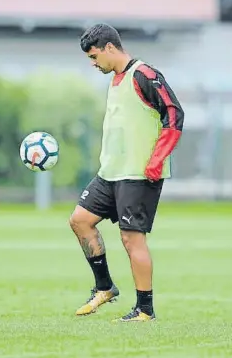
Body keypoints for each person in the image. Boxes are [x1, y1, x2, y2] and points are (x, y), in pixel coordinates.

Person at [70, 24, 185, 322]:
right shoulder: (116, 79)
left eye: (95, 57)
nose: (94, 64)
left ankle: (145, 309)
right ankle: (104, 287)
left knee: (131, 239)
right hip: (110, 172)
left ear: (110, 48)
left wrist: (157, 160)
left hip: (138, 173)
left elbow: (174, 115)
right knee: (80, 221)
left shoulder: (145, 75)